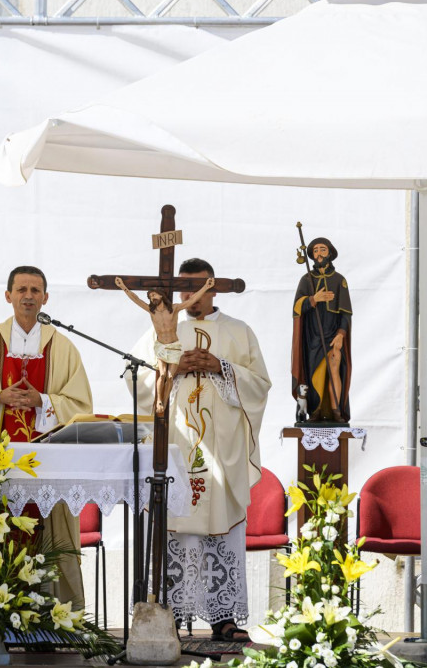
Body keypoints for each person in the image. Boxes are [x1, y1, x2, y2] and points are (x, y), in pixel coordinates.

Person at [128, 258, 270, 642]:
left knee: (218, 532)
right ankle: (171, 613)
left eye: (194, 286)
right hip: (177, 447)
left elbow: (260, 384)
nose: (187, 294)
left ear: (213, 287)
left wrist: (222, 367)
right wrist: (172, 369)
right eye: (181, 287)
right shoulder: (164, 329)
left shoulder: (239, 332)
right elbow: (137, 380)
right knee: (179, 532)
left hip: (221, 449)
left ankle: (223, 617)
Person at [0, 266, 92, 607]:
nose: (28, 296)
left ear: (46, 298)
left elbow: (81, 405)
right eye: (21, 289)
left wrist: (41, 400)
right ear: (8, 295)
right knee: (0, 530)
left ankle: (50, 613)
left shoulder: (63, 346)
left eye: (35, 290)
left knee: (48, 530)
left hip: (46, 461)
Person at [114, 276, 215, 415]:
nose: (152, 297)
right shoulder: (152, 311)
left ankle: (165, 400)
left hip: (173, 346)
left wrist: (206, 287)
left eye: (154, 294)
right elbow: (136, 299)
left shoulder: (174, 309)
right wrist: (123, 287)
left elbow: (191, 300)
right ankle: (160, 400)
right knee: (161, 375)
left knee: (169, 377)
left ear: (161, 295)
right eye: (150, 296)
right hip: (160, 346)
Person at [291, 237, 352, 423]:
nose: (319, 254)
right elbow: (296, 308)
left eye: (322, 250)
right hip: (313, 336)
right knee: (315, 373)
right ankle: (315, 411)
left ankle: (336, 411)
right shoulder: (306, 280)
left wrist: (341, 334)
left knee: (334, 369)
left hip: (333, 334)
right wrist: (313, 299)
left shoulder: (339, 280)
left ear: (330, 253)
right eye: (316, 250)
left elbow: (346, 312)